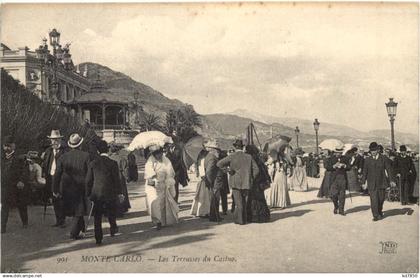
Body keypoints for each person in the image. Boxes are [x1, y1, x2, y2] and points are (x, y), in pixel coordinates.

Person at [86, 140, 125, 245]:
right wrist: (120, 193)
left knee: (97, 216)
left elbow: (89, 180)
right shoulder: (113, 163)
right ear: (108, 150)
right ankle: (113, 228)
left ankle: (98, 238)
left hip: (97, 193)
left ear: (98, 151)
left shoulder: (93, 163)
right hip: (110, 192)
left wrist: (89, 193)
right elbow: (117, 180)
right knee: (111, 212)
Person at [53, 133, 91, 239]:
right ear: (80, 144)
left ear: (70, 145)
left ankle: (82, 228)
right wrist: (89, 187)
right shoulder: (86, 156)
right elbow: (89, 174)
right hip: (81, 187)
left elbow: (57, 174)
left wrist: (55, 189)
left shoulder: (63, 157)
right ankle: (74, 232)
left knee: (77, 209)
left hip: (67, 187)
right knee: (78, 210)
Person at [217, 139, 259, 225]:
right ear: (242, 147)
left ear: (235, 147)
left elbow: (219, 164)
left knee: (238, 202)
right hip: (247, 181)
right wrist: (251, 178)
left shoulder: (232, 156)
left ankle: (240, 220)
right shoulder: (249, 157)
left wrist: (228, 170)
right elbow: (256, 170)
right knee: (245, 201)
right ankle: (245, 218)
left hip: (235, 181)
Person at [144, 145, 179, 230]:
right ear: (154, 154)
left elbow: (170, 171)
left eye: (160, 153)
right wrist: (154, 176)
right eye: (157, 154)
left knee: (163, 203)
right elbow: (149, 172)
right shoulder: (150, 161)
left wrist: (168, 180)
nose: (159, 156)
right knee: (155, 202)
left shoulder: (166, 160)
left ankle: (164, 220)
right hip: (153, 185)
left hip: (163, 183)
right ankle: (157, 221)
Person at [1, 136, 30, 233]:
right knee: (4, 205)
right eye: (5, 146)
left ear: (13, 146)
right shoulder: (1, 157)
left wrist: (21, 181)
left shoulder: (20, 157)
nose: (7, 148)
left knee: (21, 204)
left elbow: (25, 171)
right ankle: (2, 226)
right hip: (5, 185)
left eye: (9, 145)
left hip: (17, 185)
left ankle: (25, 222)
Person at [361, 142, 396, 221]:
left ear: (378, 150)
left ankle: (379, 211)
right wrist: (363, 182)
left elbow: (389, 170)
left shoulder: (383, 158)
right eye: (371, 150)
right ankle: (375, 215)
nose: (373, 152)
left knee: (381, 199)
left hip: (382, 182)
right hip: (371, 183)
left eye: (374, 150)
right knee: (374, 200)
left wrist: (391, 180)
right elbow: (364, 172)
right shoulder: (367, 160)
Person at [42, 129, 67, 227]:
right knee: (54, 199)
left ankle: (62, 220)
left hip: (61, 178)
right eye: (52, 140)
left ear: (60, 140)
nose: (54, 142)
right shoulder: (48, 151)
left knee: (61, 198)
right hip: (51, 177)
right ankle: (58, 220)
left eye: (56, 139)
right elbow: (45, 164)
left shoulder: (64, 151)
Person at [245, 145, 271, 223]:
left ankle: (254, 216)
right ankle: (262, 216)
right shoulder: (259, 159)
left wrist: (252, 178)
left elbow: (255, 171)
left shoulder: (251, 159)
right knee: (260, 199)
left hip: (256, 181)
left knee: (253, 199)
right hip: (260, 182)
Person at [325, 146, 350, 216]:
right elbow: (327, 167)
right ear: (335, 152)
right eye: (337, 152)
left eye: (340, 153)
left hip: (342, 178)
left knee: (342, 195)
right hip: (334, 179)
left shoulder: (345, 158)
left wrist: (344, 165)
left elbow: (349, 167)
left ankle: (341, 210)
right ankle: (336, 206)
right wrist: (334, 166)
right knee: (333, 195)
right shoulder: (331, 159)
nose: (339, 154)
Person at [202, 140, 223, 222]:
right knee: (215, 199)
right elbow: (209, 171)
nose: (218, 152)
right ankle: (214, 216)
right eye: (217, 150)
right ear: (213, 150)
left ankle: (214, 215)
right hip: (215, 182)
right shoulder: (212, 158)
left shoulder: (209, 157)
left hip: (213, 181)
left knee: (214, 199)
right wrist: (210, 182)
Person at [108, 144, 131, 216]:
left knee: (113, 193)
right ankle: (122, 208)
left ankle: (114, 208)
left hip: (111, 177)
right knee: (122, 192)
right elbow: (125, 169)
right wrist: (127, 177)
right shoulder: (121, 159)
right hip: (119, 176)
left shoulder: (109, 158)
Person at [190, 149, 211, 217]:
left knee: (202, 196)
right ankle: (203, 211)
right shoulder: (202, 160)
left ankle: (201, 210)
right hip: (203, 179)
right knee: (203, 196)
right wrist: (203, 176)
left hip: (201, 178)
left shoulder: (199, 160)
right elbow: (201, 170)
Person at [217, 150, 230, 215]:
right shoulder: (223, 163)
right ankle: (224, 210)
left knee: (219, 196)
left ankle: (221, 210)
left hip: (220, 181)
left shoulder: (218, 161)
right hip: (223, 180)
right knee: (224, 197)